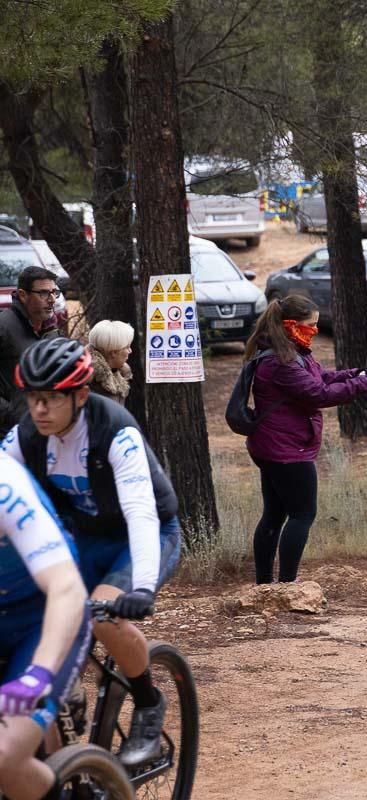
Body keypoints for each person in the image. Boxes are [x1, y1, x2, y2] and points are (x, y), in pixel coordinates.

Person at [2, 337, 177, 769]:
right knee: (49, 613)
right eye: (33, 399)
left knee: (102, 614)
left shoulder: (114, 429)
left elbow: (140, 510)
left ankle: (148, 702)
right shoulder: (25, 436)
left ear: (81, 395)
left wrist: (140, 587)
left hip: (143, 536)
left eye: (52, 400)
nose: (39, 410)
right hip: (82, 537)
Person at [244, 295, 367, 585]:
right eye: (311, 325)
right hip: (287, 450)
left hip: (273, 445)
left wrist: (355, 373)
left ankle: (265, 585)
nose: (315, 330)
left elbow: (320, 378)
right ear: (291, 324)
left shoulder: (290, 350)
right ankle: (287, 585)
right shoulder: (282, 360)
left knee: (275, 514)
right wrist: (363, 384)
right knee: (303, 514)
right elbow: (318, 394)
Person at [0, 450, 90, 800]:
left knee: (5, 756)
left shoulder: (6, 485)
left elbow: (65, 587)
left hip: (43, 617)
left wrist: (38, 673)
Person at [0, 266, 63, 430]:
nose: (52, 300)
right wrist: (9, 415)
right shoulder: (4, 327)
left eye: (54, 292)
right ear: (23, 295)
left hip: (44, 428)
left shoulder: (52, 331)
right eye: (43, 293)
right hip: (9, 432)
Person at [87, 320, 135, 405]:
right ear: (114, 352)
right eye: (127, 347)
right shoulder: (89, 381)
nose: (130, 351)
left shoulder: (119, 373)